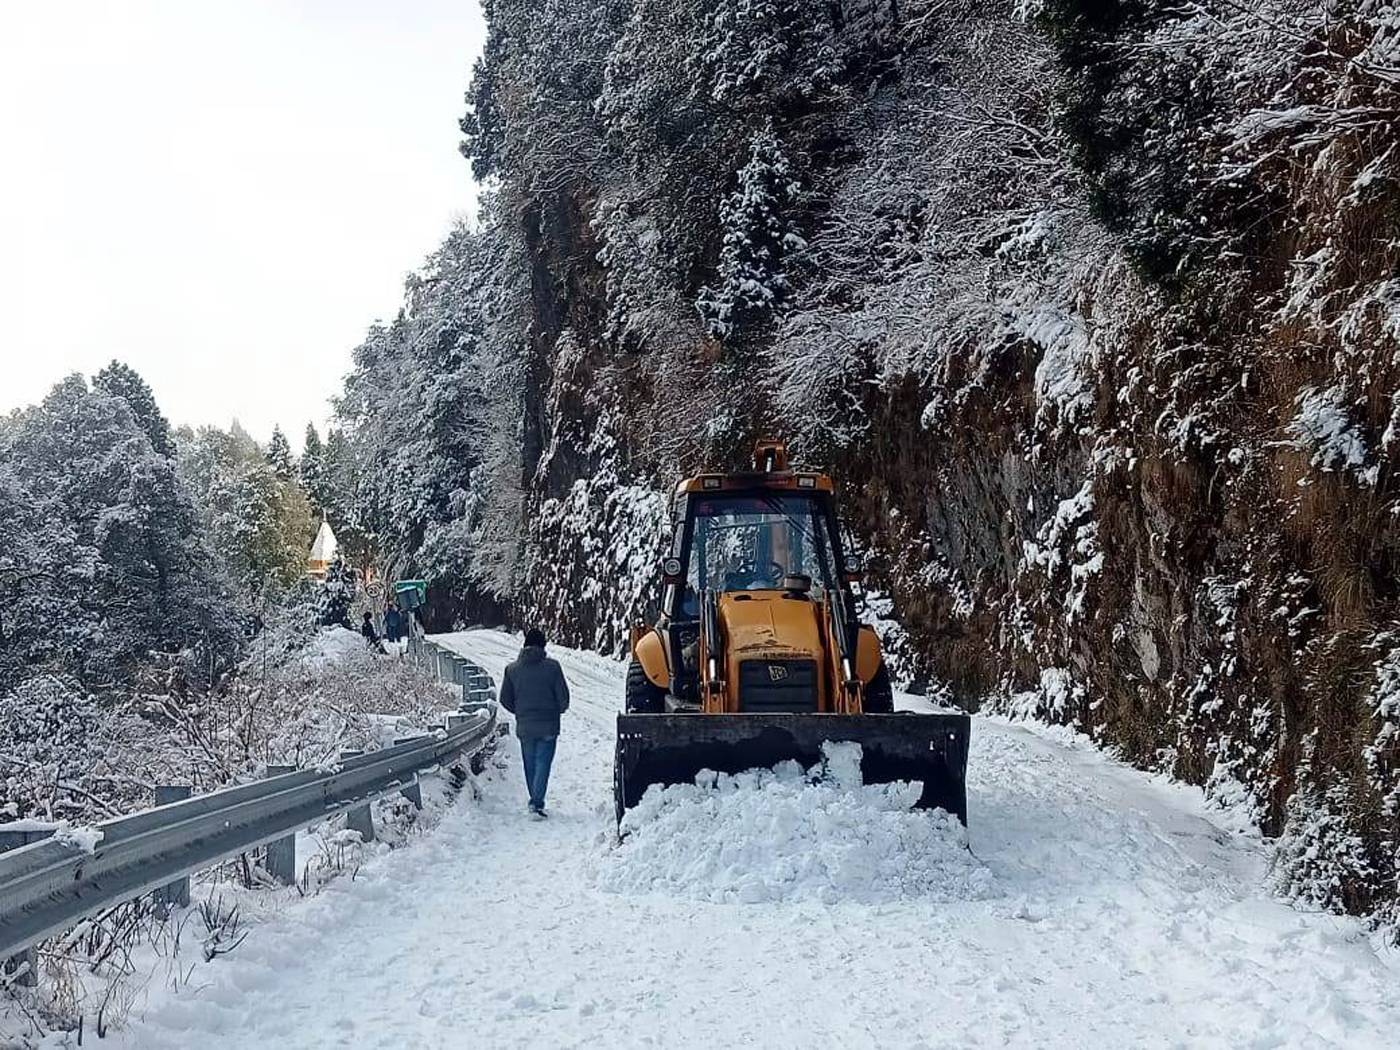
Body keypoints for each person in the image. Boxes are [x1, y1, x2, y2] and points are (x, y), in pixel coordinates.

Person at [499, 628, 570, 818]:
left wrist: (520, 711)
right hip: (549, 725)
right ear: (543, 645)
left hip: (525, 726)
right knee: (543, 764)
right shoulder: (553, 667)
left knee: (530, 764)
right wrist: (557, 710)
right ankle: (536, 803)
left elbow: (505, 699)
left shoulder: (512, 670)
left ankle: (535, 801)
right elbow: (564, 698)